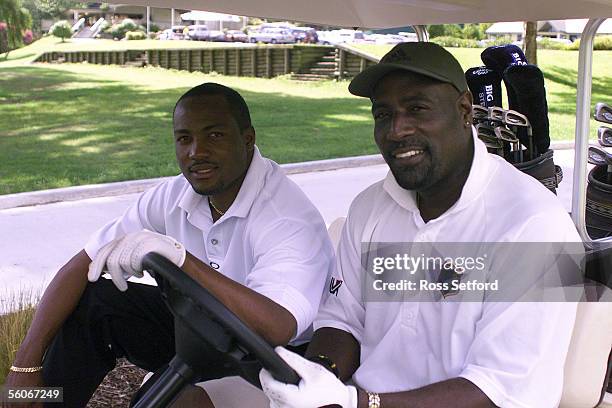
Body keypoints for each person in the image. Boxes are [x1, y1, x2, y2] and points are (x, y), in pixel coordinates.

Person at [259, 42, 580, 408]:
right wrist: (317, 376)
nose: (396, 130)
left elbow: (499, 390)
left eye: (416, 109)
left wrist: (358, 402)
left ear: (463, 110)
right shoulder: (370, 208)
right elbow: (342, 320)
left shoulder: (536, 225)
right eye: (383, 114)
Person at [6, 82, 334, 407]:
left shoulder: (286, 218)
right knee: (97, 301)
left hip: (277, 361)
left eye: (214, 135)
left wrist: (181, 259)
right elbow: (83, 264)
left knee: (175, 404)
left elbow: (275, 327)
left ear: (247, 140)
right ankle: (37, 402)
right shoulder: (174, 194)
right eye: (184, 138)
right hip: (202, 332)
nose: (197, 151)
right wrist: (24, 364)